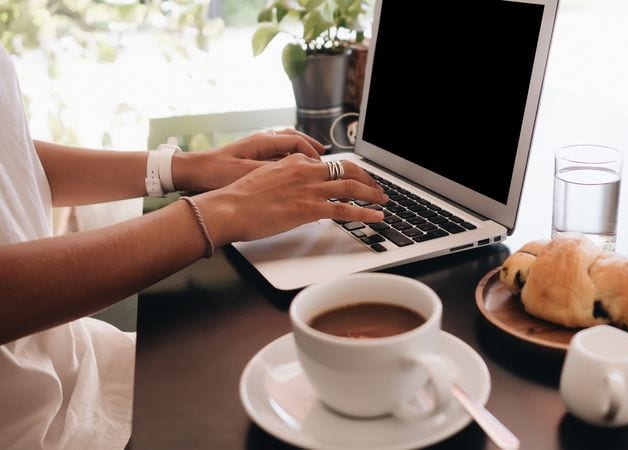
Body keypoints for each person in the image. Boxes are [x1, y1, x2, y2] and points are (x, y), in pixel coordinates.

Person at [0, 43, 386, 449]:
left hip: (75, 365)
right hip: (38, 426)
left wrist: (186, 167)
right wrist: (227, 209)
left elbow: (13, 156)